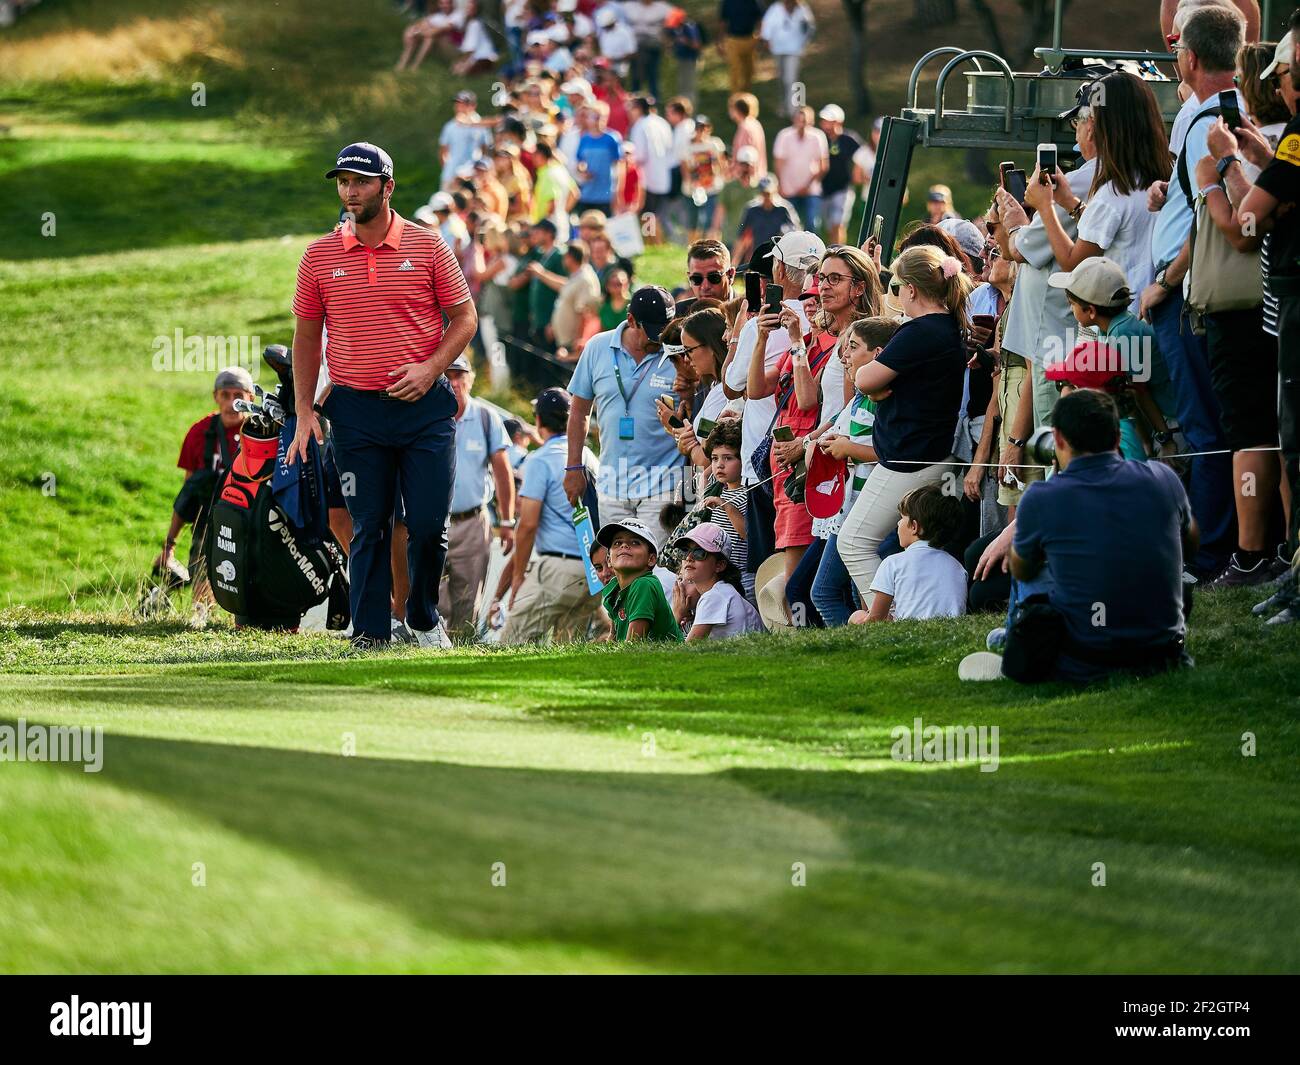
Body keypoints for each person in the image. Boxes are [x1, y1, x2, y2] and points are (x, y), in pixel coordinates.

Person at [289, 142, 478, 650]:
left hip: (423, 410)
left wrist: (431, 368)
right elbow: (307, 336)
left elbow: (465, 318)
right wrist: (305, 410)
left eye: (361, 181)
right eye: (343, 182)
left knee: (426, 524)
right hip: (354, 412)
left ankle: (420, 614)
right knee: (369, 524)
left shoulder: (429, 247)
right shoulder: (319, 255)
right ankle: (370, 630)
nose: (350, 191)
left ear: (387, 187)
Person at [969, 389, 1199, 683]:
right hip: (1162, 651)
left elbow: (1022, 568)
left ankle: (1018, 639)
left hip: (1084, 659)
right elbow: (1190, 546)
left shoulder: (1042, 497)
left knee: (1033, 568)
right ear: (1117, 438)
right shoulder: (1163, 477)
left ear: (1059, 440)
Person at [1137, 3, 1248, 579]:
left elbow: (1212, 217)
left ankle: (1214, 554)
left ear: (1191, 56)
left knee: (1206, 427)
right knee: (1215, 422)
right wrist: (1165, 189)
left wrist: (1163, 282)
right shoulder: (1207, 112)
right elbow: (1194, 195)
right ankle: (1228, 546)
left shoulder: (1212, 120)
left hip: (1189, 292)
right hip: (1192, 285)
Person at [838, 245, 972, 604]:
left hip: (909, 458)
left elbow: (865, 379)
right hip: (928, 452)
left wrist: (874, 381)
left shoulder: (921, 331)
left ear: (911, 289)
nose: (894, 294)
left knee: (853, 542)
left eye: (895, 286)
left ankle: (887, 618)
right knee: (917, 548)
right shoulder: (946, 327)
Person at [565, 285, 684, 543]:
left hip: (663, 485)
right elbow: (578, 412)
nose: (659, 339)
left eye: (665, 329)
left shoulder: (677, 352)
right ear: (631, 320)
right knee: (620, 569)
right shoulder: (597, 347)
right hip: (612, 485)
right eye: (652, 332)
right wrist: (574, 466)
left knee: (655, 572)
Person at [500, 388, 605, 644]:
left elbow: (527, 524)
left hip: (558, 569)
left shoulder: (540, 460)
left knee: (511, 643)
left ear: (538, 421)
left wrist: (518, 577)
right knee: (566, 652)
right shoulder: (589, 456)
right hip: (594, 570)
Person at [809, 316, 895, 626]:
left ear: (878, 354)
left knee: (826, 592)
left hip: (869, 505)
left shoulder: (883, 400)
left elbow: (889, 454)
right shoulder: (860, 399)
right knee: (835, 591)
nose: (844, 356)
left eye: (853, 347)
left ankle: (860, 645)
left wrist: (847, 450)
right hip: (848, 505)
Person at [158, 367, 253, 608]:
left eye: (239, 396)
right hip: (209, 520)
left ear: (251, 398)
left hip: (252, 519)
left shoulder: (261, 432)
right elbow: (188, 493)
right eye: (225, 395)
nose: (232, 403)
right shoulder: (199, 433)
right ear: (215, 396)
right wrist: (169, 546)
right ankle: (202, 616)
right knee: (202, 573)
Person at [852, 484, 967, 622]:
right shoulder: (958, 567)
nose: (898, 524)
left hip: (908, 636)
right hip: (950, 634)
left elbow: (876, 620)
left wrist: (856, 618)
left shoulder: (893, 563)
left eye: (902, 518)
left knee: (858, 615)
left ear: (914, 526)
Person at [670, 523, 763, 640]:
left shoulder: (715, 596)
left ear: (719, 565)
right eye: (685, 551)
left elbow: (686, 651)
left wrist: (677, 614)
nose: (688, 557)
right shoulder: (721, 591)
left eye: (699, 553)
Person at [597, 518, 685, 641]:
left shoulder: (644, 584)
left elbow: (633, 645)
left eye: (635, 542)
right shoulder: (613, 587)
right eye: (617, 543)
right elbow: (613, 637)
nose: (624, 545)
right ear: (609, 560)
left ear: (651, 559)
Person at [818, 104, 872, 247]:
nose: (826, 125)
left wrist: (862, 174)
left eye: (829, 121)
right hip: (822, 189)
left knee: (838, 224)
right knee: (829, 227)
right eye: (824, 121)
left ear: (839, 121)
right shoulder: (819, 138)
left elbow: (863, 157)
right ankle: (830, 251)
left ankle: (838, 252)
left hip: (843, 189)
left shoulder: (849, 139)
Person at [772, 106, 829, 232]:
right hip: (788, 190)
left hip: (811, 190)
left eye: (805, 120)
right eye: (799, 119)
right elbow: (778, 163)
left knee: (812, 224)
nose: (801, 123)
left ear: (811, 121)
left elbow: (823, 165)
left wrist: (807, 186)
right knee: (789, 228)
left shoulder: (818, 136)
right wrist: (780, 185)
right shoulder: (784, 136)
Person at [541, 241, 603, 355]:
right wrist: (553, 326)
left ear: (570, 258)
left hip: (573, 345)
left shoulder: (585, 279)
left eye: (565, 257)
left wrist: (579, 342)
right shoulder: (576, 275)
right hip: (564, 341)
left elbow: (585, 313)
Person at [759, 0, 816, 117]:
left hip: (794, 50)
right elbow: (767, 25)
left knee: (791, 79)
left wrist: (804, 43)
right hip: (778, 49)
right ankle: (783, 106)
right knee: (781, 80)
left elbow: (810, 27)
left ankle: (794, 110)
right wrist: (766, 39)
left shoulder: (802, 9)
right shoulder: (775, 9)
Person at [627, 94, 676, 229]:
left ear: (638, 109)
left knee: (648, 214)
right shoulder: (661, 122)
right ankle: (657, 241)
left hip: (647, 176)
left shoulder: (640, 125)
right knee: (658, 213)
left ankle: (651, 241)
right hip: (664, 174)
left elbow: (640, 155)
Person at [732, 174, 800, 269]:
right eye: (763, 193)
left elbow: (796, 235)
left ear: (775, 190)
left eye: (768, 193)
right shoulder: (752, 210)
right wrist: (734, 264)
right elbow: (741, 238)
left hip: (780, 257)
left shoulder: (784, 209)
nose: (766, 197)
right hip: (759, 255)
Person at [574, 101, 625, 215]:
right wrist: (583, 171)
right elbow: (579, 162)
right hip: (587, 194)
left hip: (606, 196)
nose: (597, 120)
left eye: (600, 117)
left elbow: (620, 167)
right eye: (594, 117)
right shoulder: (584, 139)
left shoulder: (612, 138)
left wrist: (618, 192)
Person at [682, 113, 727, 240]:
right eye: (698, 128)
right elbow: (684, 167)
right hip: (694, 189)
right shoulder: (687, 146)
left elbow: (722, 163)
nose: (701, 131)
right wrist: (690, 182)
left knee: (711, 221)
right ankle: (693, 249)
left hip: (712, 188)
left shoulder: (715, 143)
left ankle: (711, 247)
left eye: (704, 127)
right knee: (694, 221)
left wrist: (722, 177)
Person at [439, 92, 492, 191]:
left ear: (473, 106)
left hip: (472, 176)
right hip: (451, 175)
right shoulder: (450, 126)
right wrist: (447, 168)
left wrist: (480, 171)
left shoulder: (481, 125)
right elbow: (443, 151)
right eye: (457, 104)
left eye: (463, 104)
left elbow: (486, 150)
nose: (459, 107)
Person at [530, 140, 579, 240]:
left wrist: (545, 225)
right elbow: (575, 194)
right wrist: (562, 212)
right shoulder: (560, 169)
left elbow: (552, 202)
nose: (532, 157)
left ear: (540, 155)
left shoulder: (548, 174)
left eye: (534, 154)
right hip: (561, 222)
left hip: (549, 231)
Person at [666, 7, 705, 102]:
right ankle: (682, 106)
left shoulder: (689, 27)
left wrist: (685, 41)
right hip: (682, 59)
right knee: (682, 86)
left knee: (689, 86)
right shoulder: (677, 28)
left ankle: (690, 110)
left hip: (690, 59)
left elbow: (696, 45)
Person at [728, 92, 767, 180]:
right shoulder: (756, 124)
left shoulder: (744, 127)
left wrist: (733, 174)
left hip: (747, 179)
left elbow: (744, 157)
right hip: (759, 175)